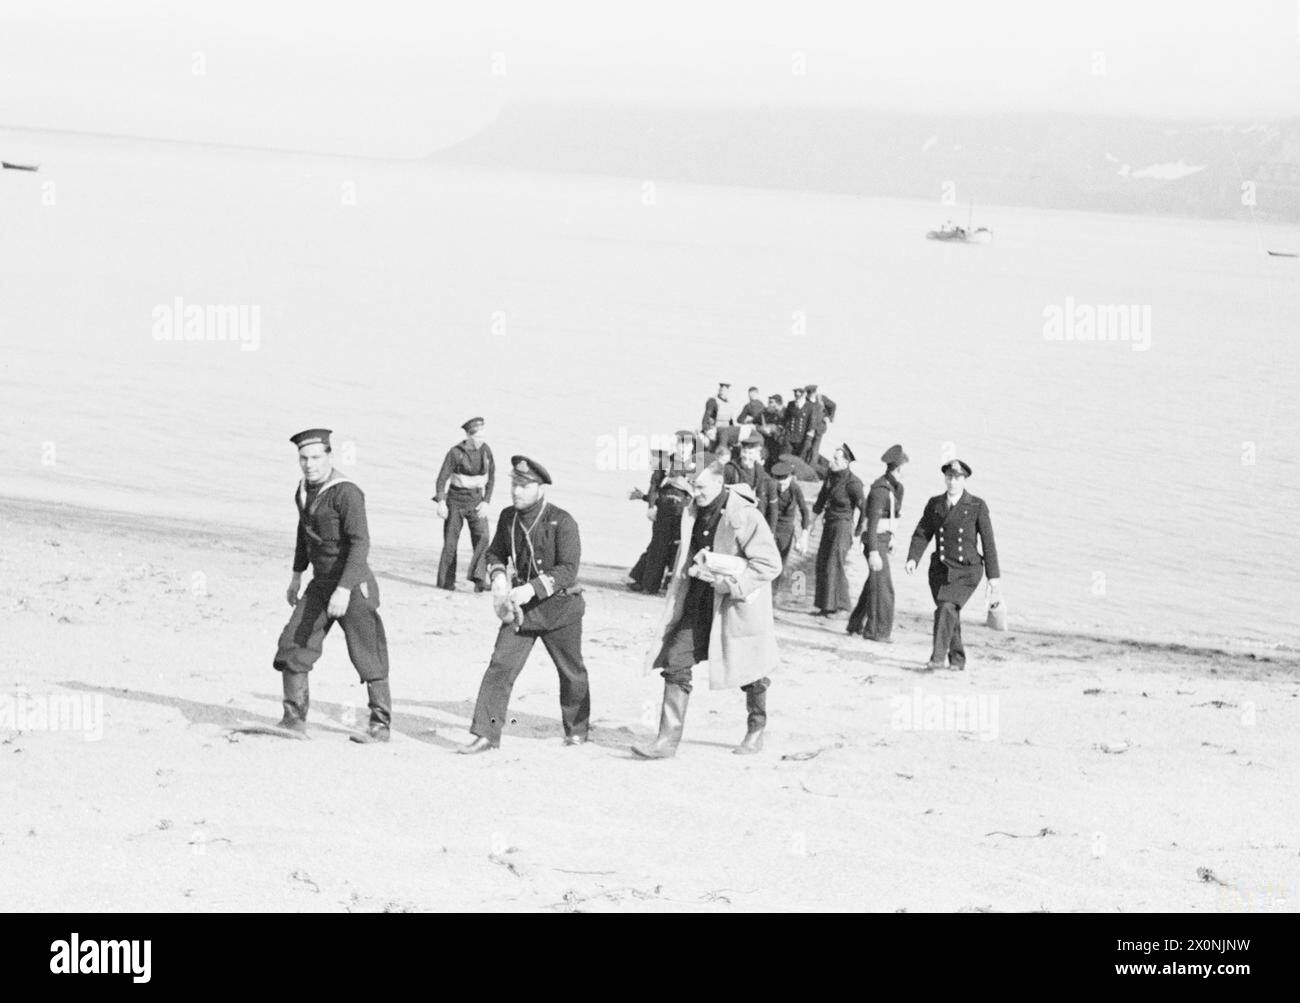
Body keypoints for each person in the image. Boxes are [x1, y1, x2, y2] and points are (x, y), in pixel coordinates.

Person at [635, 461, 781, 758]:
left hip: (735, 608)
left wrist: (733, 585)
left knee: (750, 670)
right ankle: (666, 741)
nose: (695, 492)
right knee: (676, 660)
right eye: (692, 485)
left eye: (701, 487)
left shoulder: (745, 515)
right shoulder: (692, 509)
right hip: (698, 601)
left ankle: (756, 728)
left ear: (720, 483)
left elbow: (770, 564)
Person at [459, 456, 591, 753]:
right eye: (514, 484)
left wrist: (531, 589)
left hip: (561, 609)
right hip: (521, 611)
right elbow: (494, 554)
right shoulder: (508, 517)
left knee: (571, 672)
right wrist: (498, 580)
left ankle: (578, 731)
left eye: (524, 485)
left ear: (540, 488)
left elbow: (569, 570)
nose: (516, 491)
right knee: (500, 667)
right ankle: (486, 734)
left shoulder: (563, 521)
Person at [274, 428, 391, 743]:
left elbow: (360, 543)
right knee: (293, 643)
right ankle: (293, 720)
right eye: (303, 458)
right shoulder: (302, 490)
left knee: (367, 652)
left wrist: (343, 589)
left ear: (328, 456)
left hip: (353, 583)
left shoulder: (347, 492)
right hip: (320, 583)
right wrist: (297, 574)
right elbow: (304, 534)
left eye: (315, 457)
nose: (309, 464)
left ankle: (380, 726)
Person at [905, 459, 1000, 671]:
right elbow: (922, 533)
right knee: (949, 611)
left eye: (957, 478)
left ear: (964, 480)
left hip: (967, 571)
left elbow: (988, 541)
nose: (952, 481)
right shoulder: (935, 504)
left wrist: (993, 577)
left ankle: (937, 658)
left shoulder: (977, 505)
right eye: (949, 477)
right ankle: (957, 660)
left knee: (946, 608)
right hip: (940, 570)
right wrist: (913, 558)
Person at [848, 445, 908, 641]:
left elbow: (893, 517)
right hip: (874, 541)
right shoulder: (880, 491)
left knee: (873, 583)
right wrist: (873, 551)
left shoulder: (896, 489)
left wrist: (894, 538)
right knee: (884, 588)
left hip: (884, 539)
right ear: (897, 469)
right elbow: (872, 524)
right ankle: (876, 632)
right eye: (902, 469)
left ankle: (855, 624)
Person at [433, 417, 496, 591]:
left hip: (476, 501)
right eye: (478, 436)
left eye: (483, 436)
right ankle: (446, 582)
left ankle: (478, 579)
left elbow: (491, 478)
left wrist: (486, 502)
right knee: (450, 543)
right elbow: (441, 480)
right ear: (469, 435)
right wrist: (441, 502)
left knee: (483, 537)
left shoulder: (486, 450)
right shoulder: (455, 453)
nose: (481, 440)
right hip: (455, 501)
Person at [811, 444, 866, 617]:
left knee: (833, 564)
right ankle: (826, 604)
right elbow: (821, 499)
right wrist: (811, 523)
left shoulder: (853, 483)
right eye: (832, 458)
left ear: (846, 462)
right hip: (829, 523)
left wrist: (858, 532)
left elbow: (864, 509)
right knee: (822, 561)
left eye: (836, 459)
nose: (831, 462)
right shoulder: (831, 477)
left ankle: (832, 607)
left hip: (843, 526)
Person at [631, 455, 691, 594]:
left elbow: (695, 492)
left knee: (675, 550)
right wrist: (651, 506)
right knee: (657, 549)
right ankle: (649, 585)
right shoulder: (663, 465)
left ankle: (666, 586)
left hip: (680, 513)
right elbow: (654, 488)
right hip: (664, 512)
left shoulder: (695, 463)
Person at [769, 460, 811, 590]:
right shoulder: (770, 487)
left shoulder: (795, 488)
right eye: (779, 484)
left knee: (781, 564)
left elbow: (804, 511)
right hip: (771, 527)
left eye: (785, 484)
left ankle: (773, 592)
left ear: (791, 478)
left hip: (787, 530)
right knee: (769, 560)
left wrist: (804, 535)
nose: (782, 487)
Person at [723, 431, 776, 527]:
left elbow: (760, 497)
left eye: (750, 453)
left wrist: (759, 522)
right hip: (731, 516)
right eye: (744, 452)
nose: (747, 456)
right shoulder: (730, 469)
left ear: (757, 453)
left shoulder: (759, 469)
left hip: (749, 517)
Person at [803, 385, 837, 464]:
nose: (811, 395)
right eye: (809, 393)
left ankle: (812, 465)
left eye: (812, 393)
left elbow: (833, 406)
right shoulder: (806, 400)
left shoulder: (821, 398)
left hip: (819, 427)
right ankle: (804, 462)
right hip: (809, 428)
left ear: (815, 392)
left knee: (815, 449)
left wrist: (829, 417)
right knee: (806, 446)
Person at [783, 387, 812, 460]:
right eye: (795, 393)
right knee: (786, 457)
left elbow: (811, 423)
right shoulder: (791, 404)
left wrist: (808, 439)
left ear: (804, 394)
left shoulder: (810, 406)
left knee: (798, 460)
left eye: (800, 393)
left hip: (802, 438)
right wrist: (785, 432)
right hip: (789, 436)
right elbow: (786, 419)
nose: (797, 395)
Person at [760, 393, 787, 470]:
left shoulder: (785, 412)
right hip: (772, 438)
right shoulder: (771, 413)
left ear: (777, 403)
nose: (769, 404)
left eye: (771, 402)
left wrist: (773, 428)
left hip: (780, 440)